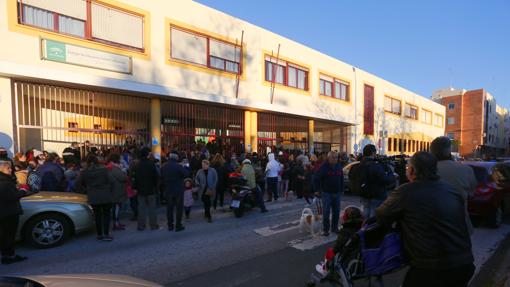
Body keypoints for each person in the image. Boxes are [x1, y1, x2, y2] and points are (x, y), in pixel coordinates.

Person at [376, 152, 474, 287]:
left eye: (407, 167)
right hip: (464, 264)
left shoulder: (406, 191)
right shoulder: (452, 191)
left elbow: (381, 215)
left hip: (430, 268)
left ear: (412, 170)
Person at [430, 136, 477, 234]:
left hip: (432, 227)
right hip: (460, 225)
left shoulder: (425, 170)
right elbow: (472, 192)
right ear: (449, 150)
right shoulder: (466, 170)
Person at [75, 154, 114, 241]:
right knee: (106, 215)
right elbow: (111, 181)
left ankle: (99, 234)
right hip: (105, 194)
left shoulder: (84, 172)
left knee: (97, 216)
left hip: (93, 195)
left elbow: (78, 184)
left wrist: (86, 190)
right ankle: (106, 234)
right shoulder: (104, 170)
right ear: (97, 162)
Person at [353, 144, 396, 218]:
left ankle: (365, 227)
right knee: (373, 216)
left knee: (366, 212)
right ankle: (370, 228)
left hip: (364, 194)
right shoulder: (375, 166)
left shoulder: (359, 165)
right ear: (373, 153)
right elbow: (386, 180)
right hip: (376, 195)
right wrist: (390, 172)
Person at [0, 159, 28, 264]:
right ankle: (9, 256)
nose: (10, 170)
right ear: (2, 169)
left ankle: (7, 255)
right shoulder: (4, 182)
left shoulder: (5, 180)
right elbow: (12, 197)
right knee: (8, 236)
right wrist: (22, 191)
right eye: (8, 168)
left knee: (5, 236)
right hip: (8, 213)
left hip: (5, 212)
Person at [314, 151, 343, 236]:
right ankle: (326, 229)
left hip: (337, 193)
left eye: (336, 157)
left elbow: (341, 178)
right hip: (326, 193)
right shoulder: (323, 167)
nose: (335, 159)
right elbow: (316, 178)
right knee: (326, 212)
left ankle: (334, 228)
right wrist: (317, 190)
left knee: (336, 212)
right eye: (333, 157)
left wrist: (342, 188)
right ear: (328, 158)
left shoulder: (338, 166)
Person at [132, 148, 160, 231]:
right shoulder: (151, 164)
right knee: (152, 208)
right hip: (151, 189)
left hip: (140, 190)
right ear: (147, 154)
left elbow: (135, 178)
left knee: (141, 208)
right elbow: (156, 177)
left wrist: (135, 187)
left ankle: (141, 226)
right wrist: (155, 187)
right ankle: (153, 225)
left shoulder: (137, 165)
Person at [160, 152, 189, 232]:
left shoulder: (164, 166)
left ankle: (170, 225)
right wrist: (186, 166)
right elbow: (186, 174)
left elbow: (161, 177)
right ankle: (178, 225)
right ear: (176, 158)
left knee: (169, 208)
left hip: (168, 189)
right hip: (178, 190)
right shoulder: (178, 166)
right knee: (179, 208)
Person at [107, 153, 128, 231]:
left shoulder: (109, 167)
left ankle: (117, 223)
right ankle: (116, 224)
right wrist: (123, 172)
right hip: (117, 190)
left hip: (113, 190)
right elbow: (123, 178)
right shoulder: (114, 168)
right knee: (116, 208)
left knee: (116, 208)